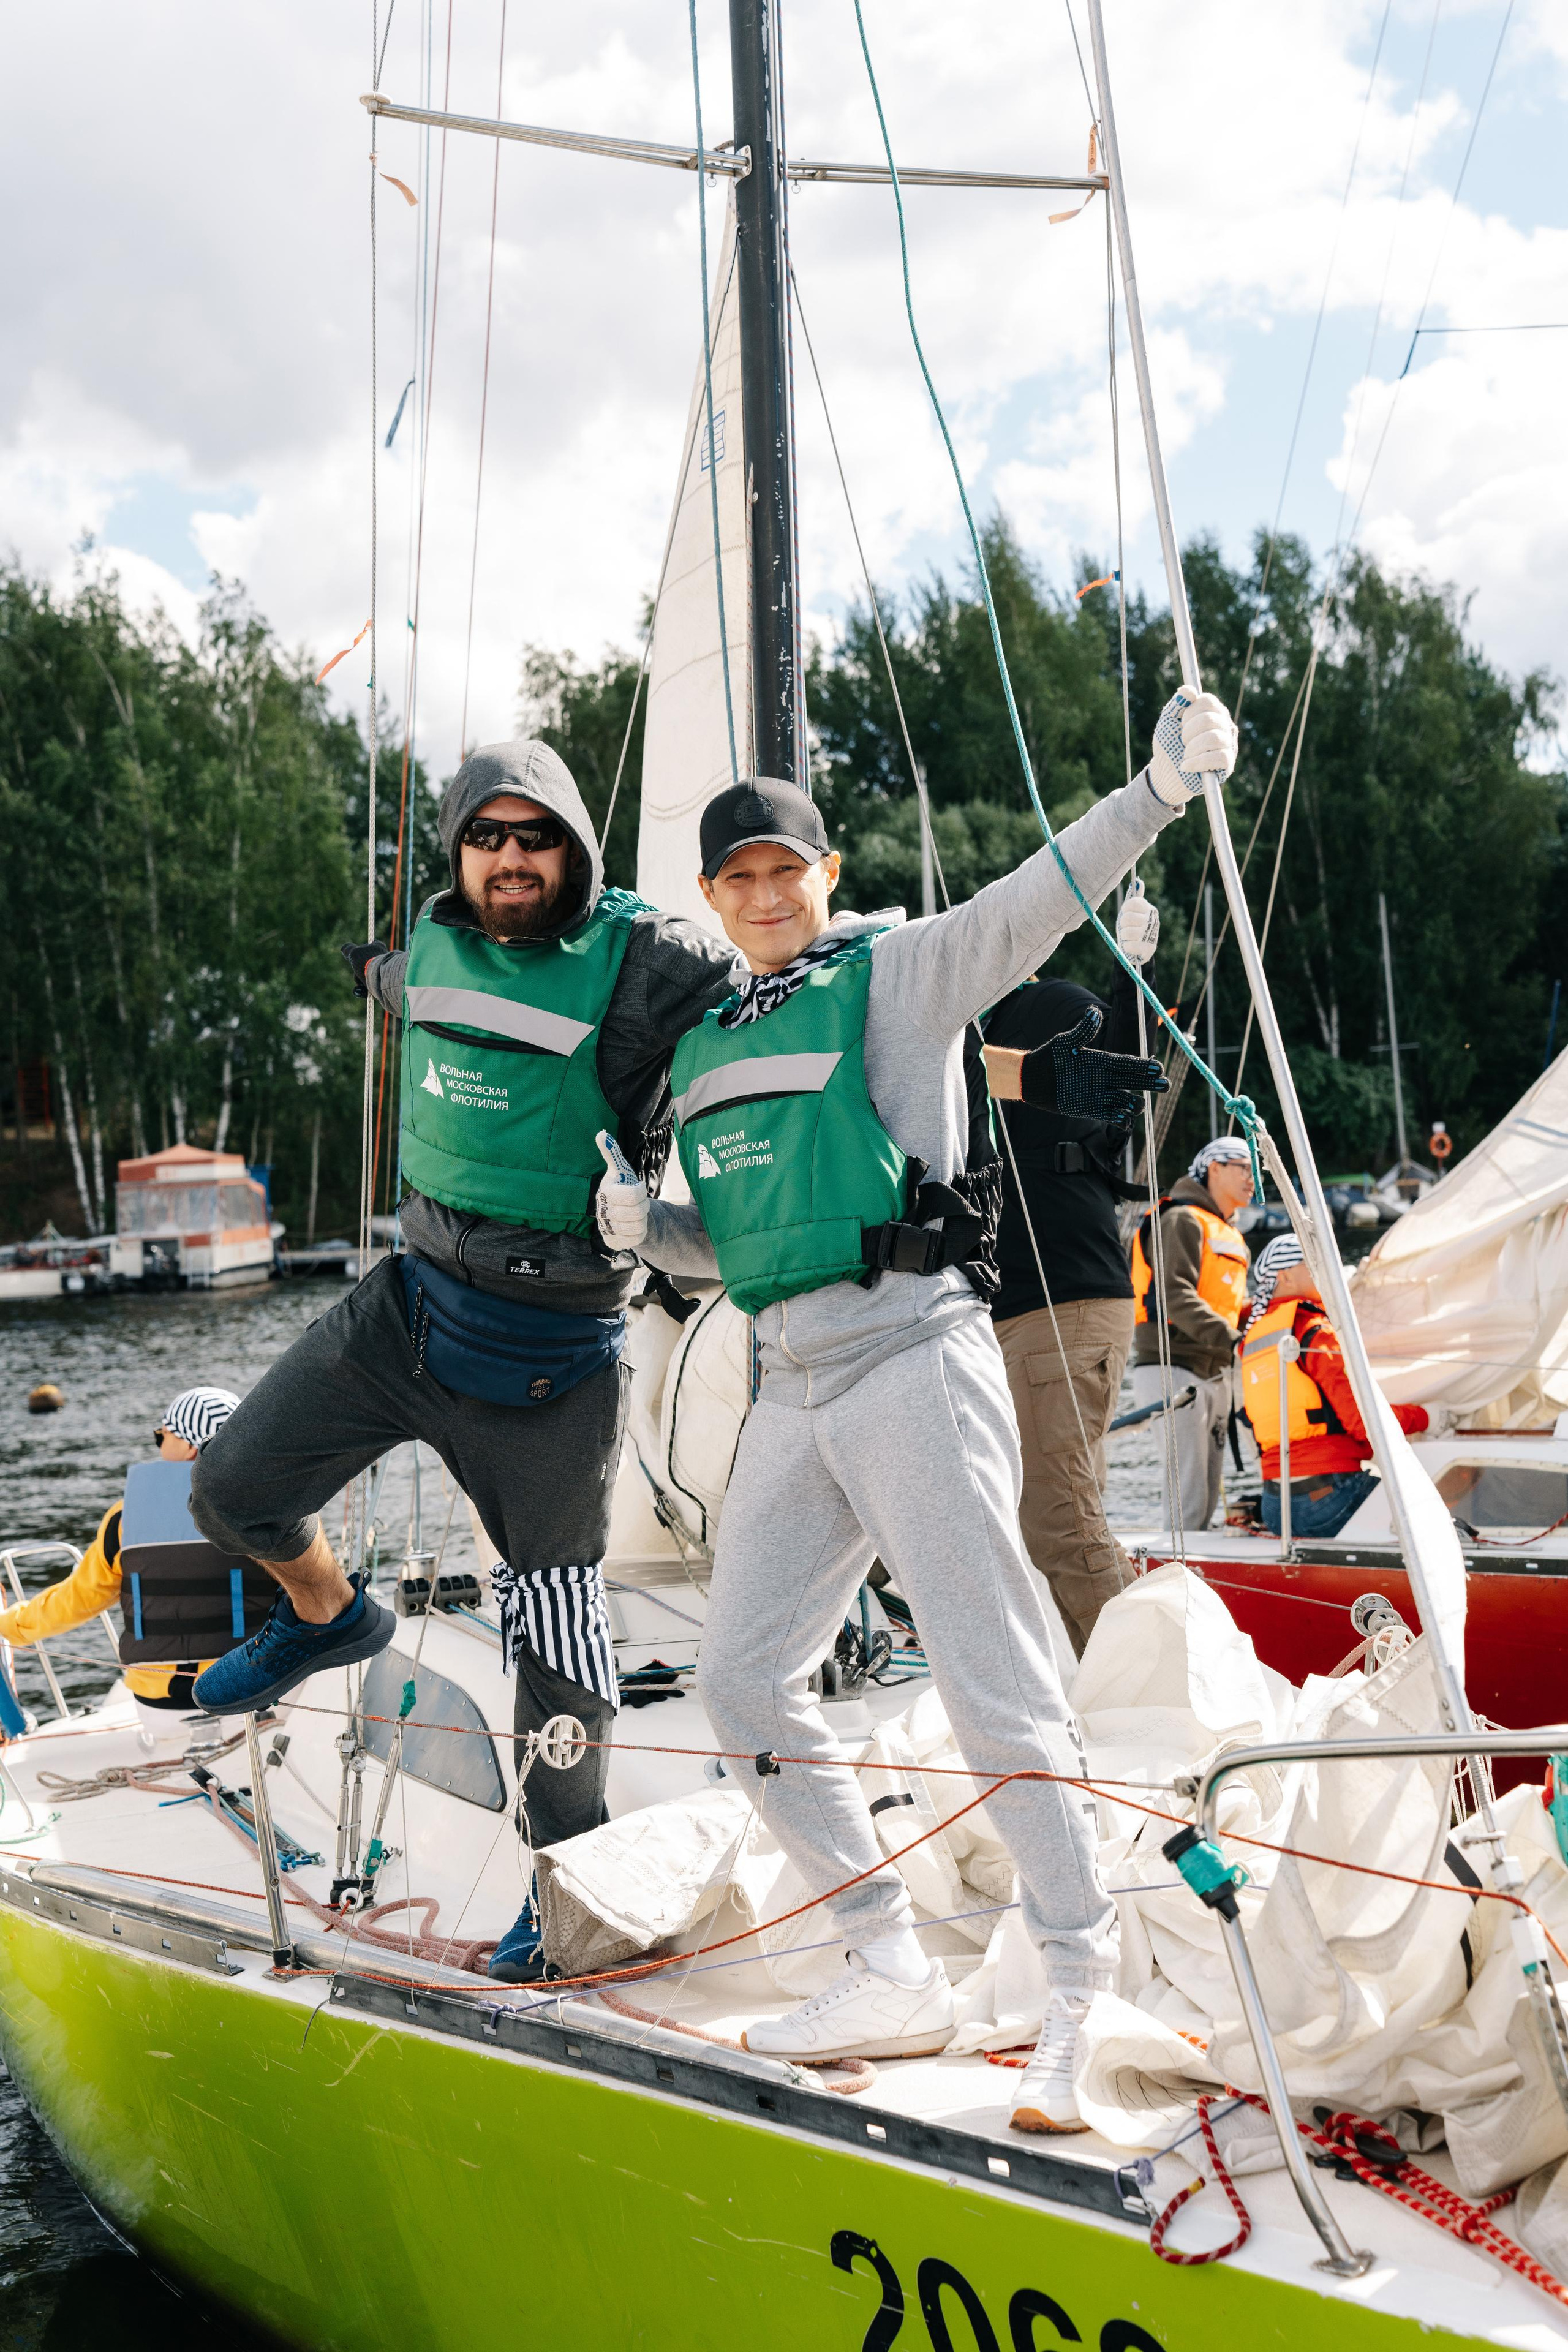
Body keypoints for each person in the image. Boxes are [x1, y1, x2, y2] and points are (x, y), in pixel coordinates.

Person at [600, 687, 1237, 2130]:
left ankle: (1078, 1981)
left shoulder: (898, 974)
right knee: (741, 1682)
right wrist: (645, 1227)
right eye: (737, 877)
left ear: (824, 874)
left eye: (786, 868)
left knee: (988, 1678)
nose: (765, 894)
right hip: (789, 1385)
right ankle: (884, 1959)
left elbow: (1035, 899)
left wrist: (1152, 792)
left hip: (911, 1363)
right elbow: (742, 1246)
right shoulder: (709, 1043)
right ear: (711, 898)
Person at [187, 737, 740, 1981]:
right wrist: (363, 968)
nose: (510, 859)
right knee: (230, 1491)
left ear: (575, 848)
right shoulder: (427, 951)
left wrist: (850, 943)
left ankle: (570, 1888)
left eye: (535, 837)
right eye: (486, 837)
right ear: (456, 852)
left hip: (551, 1355)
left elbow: (771, 972)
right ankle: (330, 1617)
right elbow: (391, 980)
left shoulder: (648, 963)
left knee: (561, 1640)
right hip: (408, 1312)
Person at [980, 883, 1164, 1654]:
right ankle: (1106, 1671)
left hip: (1062, 1302)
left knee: (1057, 1516)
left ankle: (1141, 1685)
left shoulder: (1048, 1003)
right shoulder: (958, 1038)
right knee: (1049, 1508)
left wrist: (1131, 972)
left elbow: (1122, 1067)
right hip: (1016, 1311)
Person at [0, 1387, 266, 1716]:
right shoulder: (270, 1507)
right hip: (253, 1691)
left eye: (161, 1435)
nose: (158, 1443)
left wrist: (9, 1626)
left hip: (163, 1707)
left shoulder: (125, 1518)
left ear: (188, 1446)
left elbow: (78, 1600)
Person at [1240, 1233, 1428, 1539]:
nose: (1326, 1270)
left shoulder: (1253, 1341)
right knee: (1434, 1500)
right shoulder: (1314, 1331)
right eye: (1313, 1263)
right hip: (1329, 1499)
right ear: (1285, 1276)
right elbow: (1364, 1423)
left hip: (1275, 1508)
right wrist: (1426, 1417)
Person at [1128, 1136, 1254, 1534]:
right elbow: (1175, 1296)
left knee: (1205, 1489)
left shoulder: (1229, 1234)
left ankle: (1197, 1560)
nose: (1252, 1179)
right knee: (1189, 1491)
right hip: (1173, 1366)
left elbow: (1229, 1305)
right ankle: (1180, 1563)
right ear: (1214, 1168)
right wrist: (1235, 1340)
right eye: (1244, 1167)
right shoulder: (1181, 1220)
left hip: (1213, 1370)